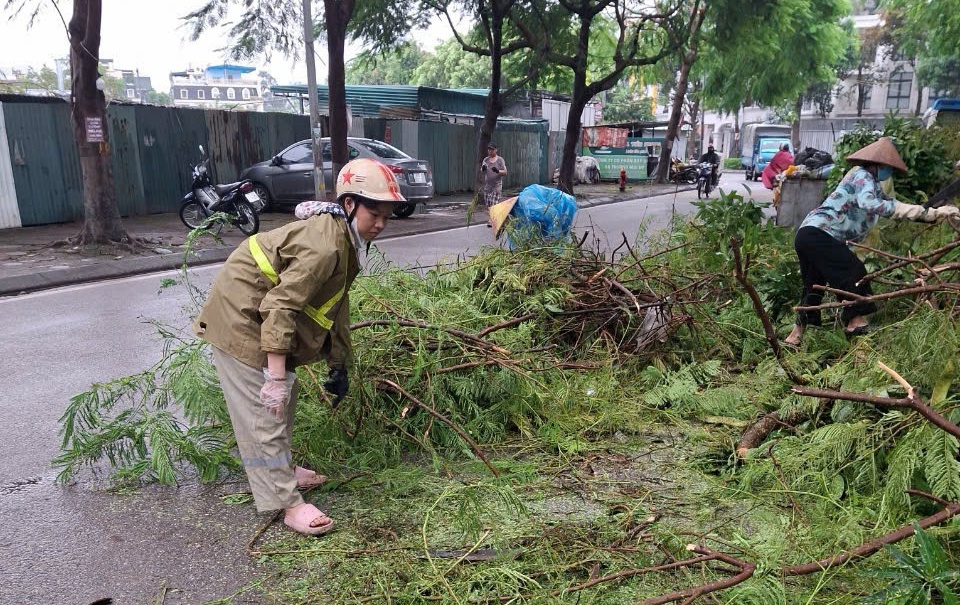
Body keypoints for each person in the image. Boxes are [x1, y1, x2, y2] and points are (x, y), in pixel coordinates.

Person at [193, 158, 406, 536]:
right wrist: (274, 376)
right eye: (375, 213)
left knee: (284, 401)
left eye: (387, 216)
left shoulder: (348, 240)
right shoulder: (326, 245)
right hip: (242, 313)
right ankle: (287, 503)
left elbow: (333, 307)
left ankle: (284, 469)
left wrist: (339, 362)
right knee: (267, 410)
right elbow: (281, 305)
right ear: (350, 204)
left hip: (266, 312)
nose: (381, 224)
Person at [784, 137, 960, 346]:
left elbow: (890, 204)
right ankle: (855, 322)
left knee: (814, 285)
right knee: (854, 272)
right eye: (888, 168)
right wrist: (917, 211)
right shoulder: (862, 175)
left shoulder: (870, 183)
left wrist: (932, 213)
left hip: (809, 234)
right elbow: (870, 204)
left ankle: (794, 337)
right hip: (819, 233)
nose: (889, 173)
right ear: (877, 165)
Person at [481, 142, 507, 226]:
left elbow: (505, 172)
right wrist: (483, 169)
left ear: (496, 150)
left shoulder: (500, 160)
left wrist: (498, 171)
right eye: (489, 149)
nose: (490, 151)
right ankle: (496, 218)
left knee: (494, 205)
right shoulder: (485, 160)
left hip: (497, 186)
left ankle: (491, 221)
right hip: (487, 187)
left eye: (492, 149)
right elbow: (482, 171)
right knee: (489, 206)